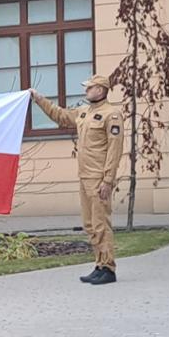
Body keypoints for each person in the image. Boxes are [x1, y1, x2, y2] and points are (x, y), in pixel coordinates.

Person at [31, 74, 126, 285]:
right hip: (84, 177)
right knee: (90, 224)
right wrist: (39, 99)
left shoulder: (112, 115)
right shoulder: (84, 113)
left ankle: (109, 268)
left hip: (99, 178)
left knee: (101, 223)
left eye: (90, 88)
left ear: (100, 90)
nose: (86, 91)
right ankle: (99, 264)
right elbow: (61, 116)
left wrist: (108, 180)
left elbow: (114, 150)